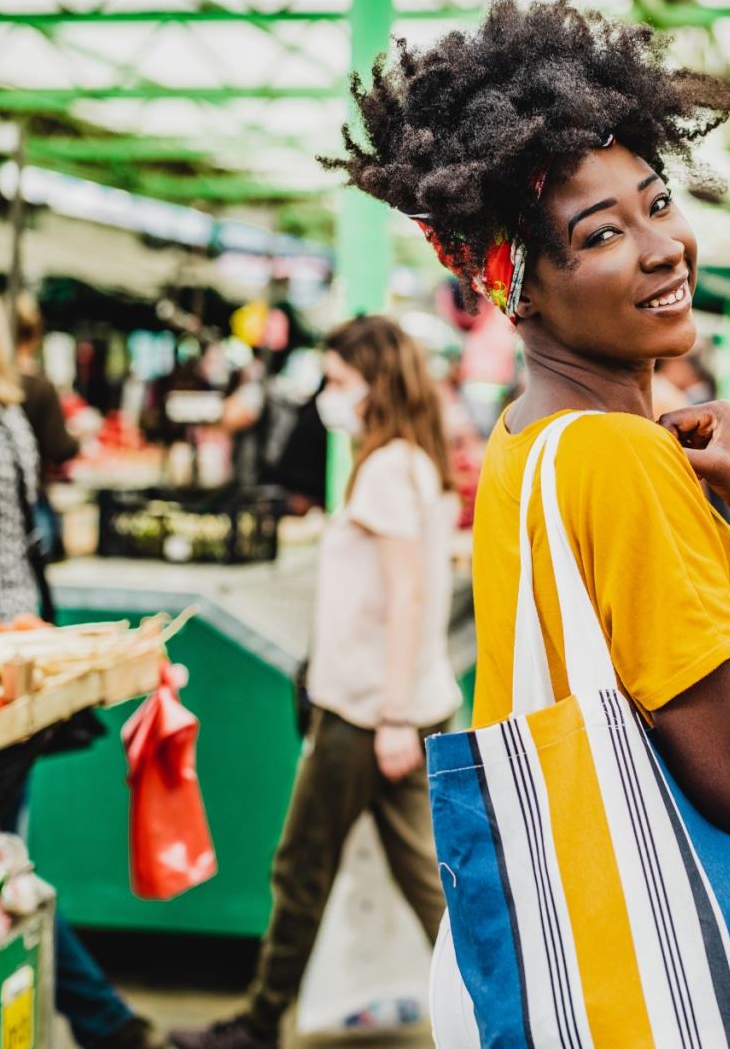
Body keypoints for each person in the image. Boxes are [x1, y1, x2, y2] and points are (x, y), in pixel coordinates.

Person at [324, 0, 730, 1046]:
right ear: (514, 284)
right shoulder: (619, 457)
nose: (664, 247)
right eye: (602, 233)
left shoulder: (530, 440)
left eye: (658, 203)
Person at [172, 317, 462, 1049]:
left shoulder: (391, 467)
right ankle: (510, 1015)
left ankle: (260, 1023)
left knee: (305, 867)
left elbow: (407, 595)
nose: (328, 397)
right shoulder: (408, 460)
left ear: (377, 384)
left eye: (339, 381)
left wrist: (392, 714)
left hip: (368, 712)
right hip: (393, 705)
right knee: (431, 883)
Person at [0, 255, 162, 1049]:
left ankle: (93, 1022)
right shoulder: (1, 416)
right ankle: (105, 1022)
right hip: (14, 679)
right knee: (2, 867)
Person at [13, 292, 79, 562]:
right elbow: (60, 447)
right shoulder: (39, 385)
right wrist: (77, 436)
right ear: (35, 334)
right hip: (32, 503)